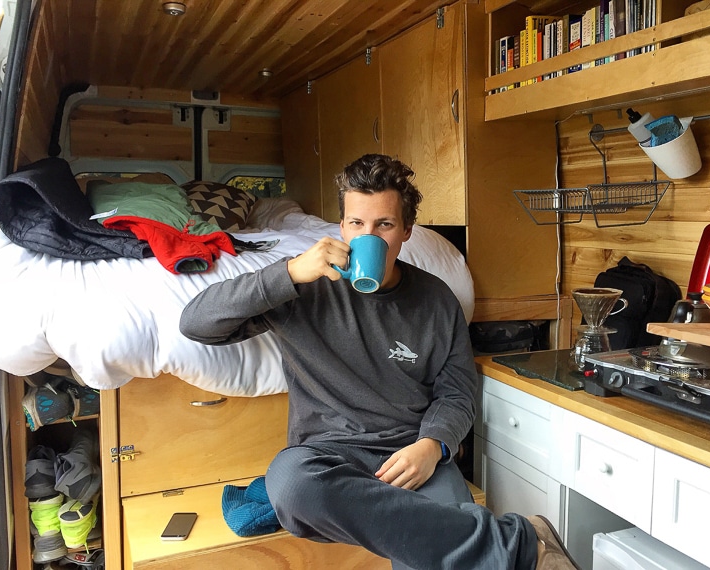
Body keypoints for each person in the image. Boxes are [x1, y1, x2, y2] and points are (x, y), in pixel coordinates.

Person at [180, 154, 580, 570]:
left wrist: (433, 445)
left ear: (407, 230)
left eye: (383, 225)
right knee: (291, 484)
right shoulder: (304, 287)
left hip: (412, 452)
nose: (367, 236)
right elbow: (196, 324)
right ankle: (519, 543)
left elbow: (457, 391)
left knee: (438, 554)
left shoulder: (437, 300)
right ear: (342, 227)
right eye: (356, 224)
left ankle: (498, 544)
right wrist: (290, 272)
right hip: (328, 458)